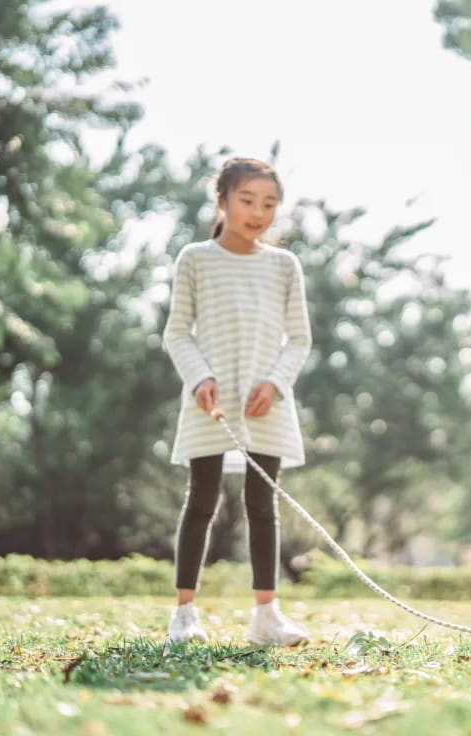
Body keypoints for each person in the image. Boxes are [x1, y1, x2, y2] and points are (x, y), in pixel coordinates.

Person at [162, 157, 312, 646]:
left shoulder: (285, 266)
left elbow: (300, 340)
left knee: (262, 503)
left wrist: (274, 384)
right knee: (201, 499)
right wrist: (199, 378)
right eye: (247, 201)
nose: (258, 213)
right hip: (211, 400)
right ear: (222, 201)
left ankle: (266, 616)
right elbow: (177, 333)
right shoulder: (195, 259)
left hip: (265, 402)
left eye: (269, 204)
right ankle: (184, 615)